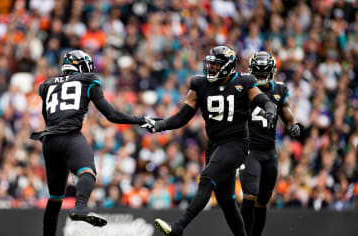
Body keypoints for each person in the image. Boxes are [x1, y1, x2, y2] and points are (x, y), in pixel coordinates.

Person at [142, 46, 277, 236]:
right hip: (215, 146)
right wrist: (160, 125)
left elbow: (264, 100)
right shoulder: (199, 83)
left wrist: (270, 110)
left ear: (228, 66)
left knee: (206, 180)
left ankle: (178, 227)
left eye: (216, 65)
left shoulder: (244, 82)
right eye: (210, 64)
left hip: (236, 143)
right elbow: (182, 116)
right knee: (225, 200)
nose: (211, 68)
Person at [30, 50, 145, 236]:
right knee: (87, 171)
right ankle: (80, 207)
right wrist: (139, 120)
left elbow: (47, 114)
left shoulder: (46, 84)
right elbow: (111, 115)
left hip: (49, 141)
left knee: (55, 198)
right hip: (69, 136)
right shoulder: (88, 80)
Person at [239, 51, 301, 236]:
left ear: (271, 71)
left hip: (269, 151)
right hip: (250, 150)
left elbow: (287, 114)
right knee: (250, 195)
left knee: (263, 200)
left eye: (263, 71)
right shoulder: (244, 88)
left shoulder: (279, 90)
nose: (260, 75)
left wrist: (292, 125)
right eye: (257, 71)